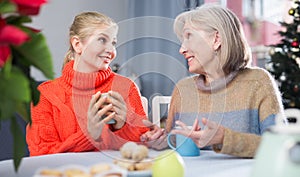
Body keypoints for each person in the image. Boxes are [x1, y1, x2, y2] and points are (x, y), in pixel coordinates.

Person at [141, 4, 284, 158]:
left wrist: (225, 139)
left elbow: (281, 145)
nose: (181, 49)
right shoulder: (183, 89)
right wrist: (160, 140)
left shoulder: (258, 82)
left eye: (189, 37)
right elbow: (175, 143)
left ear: (216, 39)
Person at [26, 12, 149, 156]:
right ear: (78, 44)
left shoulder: (126, 87)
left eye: (113, 43)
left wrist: (121, 128)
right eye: (102, 40)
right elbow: (40, 154)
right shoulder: (45, 95)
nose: (111, 50)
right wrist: (89, 134)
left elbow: (144, 149)